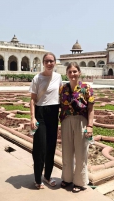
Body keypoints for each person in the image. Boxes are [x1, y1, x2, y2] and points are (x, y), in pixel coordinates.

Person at [59, 62, 95, 193]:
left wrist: (90, 126)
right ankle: (67, 178)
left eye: (75, 71)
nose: (72, 74)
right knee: (67, 151)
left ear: (79, 72)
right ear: (67, 74)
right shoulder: (63, 89)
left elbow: (91, 109)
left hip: (81, 122)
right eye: (70, 72)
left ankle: (79, 181)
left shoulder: (86, 88)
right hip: (66, 121)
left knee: (81, 152)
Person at [29, 52, 63, 189]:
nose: (49, 63)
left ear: (55, 62)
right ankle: (38, 178)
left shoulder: (58, 77)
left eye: (52, 61)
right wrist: (32, 117)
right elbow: (32, 99)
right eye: (47, 61)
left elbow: (61, 95)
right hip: (40, 113)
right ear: (43, 63)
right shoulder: (37, 78)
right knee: (40, 147)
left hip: (53, 112)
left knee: (51, 146)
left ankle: (47, 176)